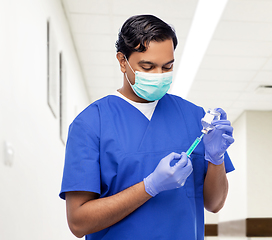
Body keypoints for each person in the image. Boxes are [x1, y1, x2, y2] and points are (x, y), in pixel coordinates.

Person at [59, 14, 235, 240]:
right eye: (148, 67)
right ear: (123, 61)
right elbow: (78, 223)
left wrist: (216, 158)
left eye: (167, 66)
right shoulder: (91, 123)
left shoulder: (194, 117)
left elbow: (215, 204)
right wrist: (150, 186)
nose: (159, 76)